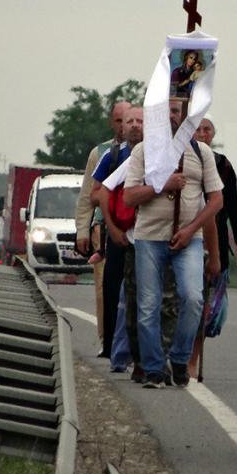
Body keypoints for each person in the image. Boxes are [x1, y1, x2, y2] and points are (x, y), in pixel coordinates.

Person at [123, 103, 223, 389]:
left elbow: (216, 200)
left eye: (177, 110)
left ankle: (179, 358)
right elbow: (129, 198)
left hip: (188, 240)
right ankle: (154, 368)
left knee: (193, 298)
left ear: (187, 114)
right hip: (149, 239)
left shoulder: (200, 153)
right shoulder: (143, 151)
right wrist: (162, 185)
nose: (171, 115)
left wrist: (192, 229)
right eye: (166, 109)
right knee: (148, 305)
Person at [75, 100, 130, 352]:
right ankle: (106, 339)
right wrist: (82, 230)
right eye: (119, 121)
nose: (124, 126)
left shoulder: (146, 151)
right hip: (103, 227)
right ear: (112, 122)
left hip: (134, 227)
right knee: (103, 287)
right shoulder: (102, 153)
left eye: (128, 120)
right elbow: (88, 194)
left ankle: (126, 340)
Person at [90, 105, 143, 360]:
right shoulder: (113, 156)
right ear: (120, 126)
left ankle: (138, 347)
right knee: (112, 288)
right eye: (129, 121)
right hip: (118, 233)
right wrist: (112, 224)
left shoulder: (158, 154)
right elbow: (96, 192)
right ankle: (110, 344)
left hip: (148, 234)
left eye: (140, 121)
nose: (134, 125)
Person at [194, 115, 237, 273]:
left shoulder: (223, 165)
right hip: (189, 232)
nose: (202, 134)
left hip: (218, 233)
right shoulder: (181, 161)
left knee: (217, 283)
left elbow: (233, 204)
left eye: (207, 129)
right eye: (197, 129)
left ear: (213, 133)